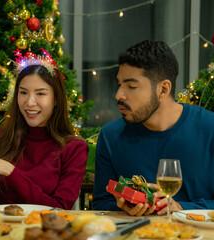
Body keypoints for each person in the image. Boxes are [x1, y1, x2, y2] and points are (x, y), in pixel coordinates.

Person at [92, 40, 214, 216]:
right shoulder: (111, 136)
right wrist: (123, 207)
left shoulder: (209, 128)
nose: (119, 95)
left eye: (131, 86)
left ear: (163, 89)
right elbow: (101, 203)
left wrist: (181, 208)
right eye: (120, 84)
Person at [0, 52, 89, 210]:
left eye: (40, 94)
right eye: (23, 93)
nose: (29, 102)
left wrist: (9, 170)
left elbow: (60, 209)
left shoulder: (74, 148)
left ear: (56, 99)